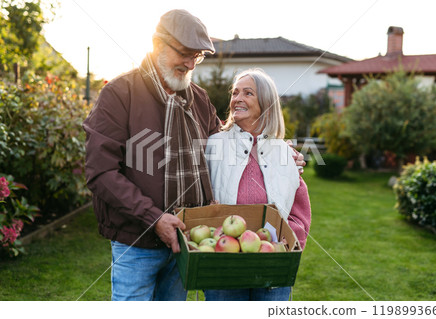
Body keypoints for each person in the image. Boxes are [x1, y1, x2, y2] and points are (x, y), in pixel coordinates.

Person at [83, 9, 306, 301]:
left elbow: (229, 143)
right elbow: (101, 172)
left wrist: (277, 149)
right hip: (136, 244)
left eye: (198, 56)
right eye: (185, 53)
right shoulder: (120, 93)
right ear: (157, 43)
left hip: (186, 242)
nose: (190, 63)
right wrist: (155, 219)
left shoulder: (198, 99)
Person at [204, 68, 312, 301]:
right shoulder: (213, 145)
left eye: (248, 93)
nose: (237, 99)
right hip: (223, 261)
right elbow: (199, 197)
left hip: (272, 262)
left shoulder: (285, 152)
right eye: (235, 93)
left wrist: (289, 241)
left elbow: (299, 210)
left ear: (266, 103)